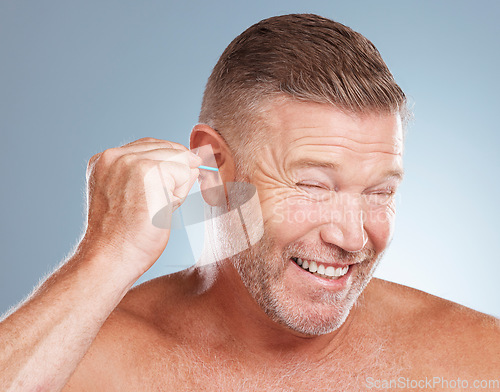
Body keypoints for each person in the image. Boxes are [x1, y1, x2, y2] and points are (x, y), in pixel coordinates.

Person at [1, 13, 498, 392]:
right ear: (216, 167)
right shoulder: (87, 363)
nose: (350, 238)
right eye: (312, 186)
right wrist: (106, 256)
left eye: (380, 192)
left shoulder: (477, 362)